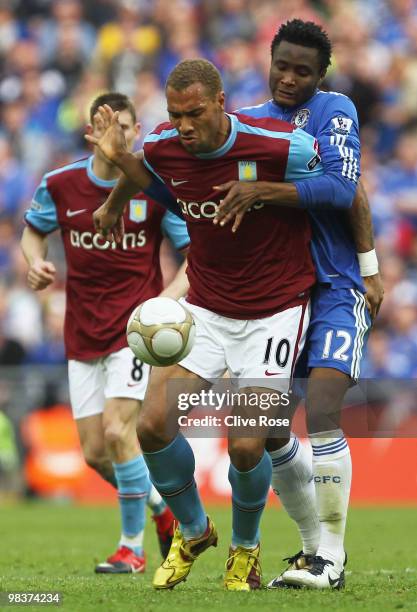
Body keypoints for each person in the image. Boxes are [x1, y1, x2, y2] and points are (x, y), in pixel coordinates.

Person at [88, 58, 333, 592]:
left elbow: (340, 191)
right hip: (205, 309)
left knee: (247, 444)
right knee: (151, 425)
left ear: (220, 103)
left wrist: (365, 268)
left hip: (275, 312)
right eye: (176, 115)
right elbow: (145, 176)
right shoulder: (163, 145)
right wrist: (112, 200)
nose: (184, 126)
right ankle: (195, 531)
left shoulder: (278, 146)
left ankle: (246, 549)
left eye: (194, 114)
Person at [213, 19, 384, 589]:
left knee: (326, 407)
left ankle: (330, 557)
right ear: (270, 60)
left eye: (302, 71)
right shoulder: (250, 123)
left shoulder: (335, 112)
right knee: (267, 429)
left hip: (334, 285)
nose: (289, 78)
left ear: (322, 74)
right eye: (281, 66)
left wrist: (369, 268)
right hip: (276, 295)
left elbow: (343, 188)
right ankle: (313, 548)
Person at [21, 92, 190, 575]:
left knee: (120, 431)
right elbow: (32, 232)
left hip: (133, 332)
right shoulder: (60, 184)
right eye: (108, 125)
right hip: (81, 333)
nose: (119, 134)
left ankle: (130, 550)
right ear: (91, 133)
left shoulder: (154, 190)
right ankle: (163, 511)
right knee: (97, 454)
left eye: (127, 127)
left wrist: (163, 304)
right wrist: (35, 264)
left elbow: (195, 259)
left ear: (137, 134)